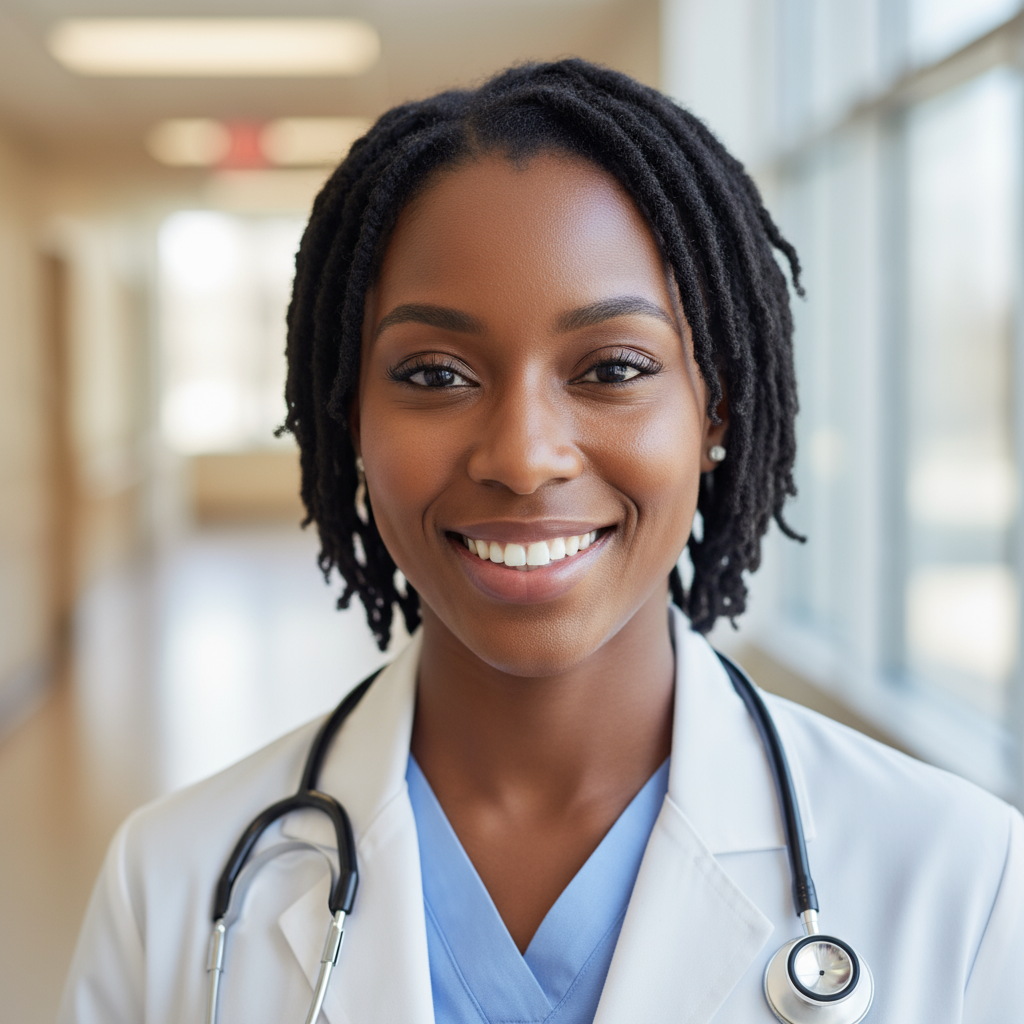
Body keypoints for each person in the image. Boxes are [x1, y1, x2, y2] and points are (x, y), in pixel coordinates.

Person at [59, 59, 1022, 1024]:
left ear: (716, 409)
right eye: (435, 375)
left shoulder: (962, 880)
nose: (522, 457)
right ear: (349, 414)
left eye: (611, 367)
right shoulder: (172, 885)